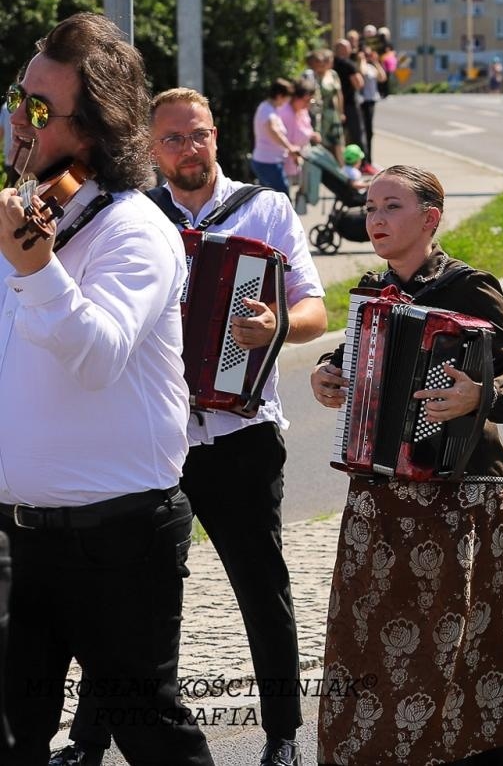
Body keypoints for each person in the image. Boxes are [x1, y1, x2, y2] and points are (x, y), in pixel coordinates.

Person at [60, 87, 329, 766]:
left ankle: (284, 737)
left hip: (241, 434)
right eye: (173, 139)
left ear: (218, 137)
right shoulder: (131, 217)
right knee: (128, 598)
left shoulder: (264, 209)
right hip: (152, 435)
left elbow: (315, 312)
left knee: (261, 585)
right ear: (152, 148)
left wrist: (274, 329)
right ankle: (89, 743)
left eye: (199, 135)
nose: (189, 149)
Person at [308, 166, 503, 764]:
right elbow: (351, 356)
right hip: (380, 503)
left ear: (430, 219)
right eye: (370, 208)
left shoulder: (469, 287)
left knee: (462, 654)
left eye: (391, 207)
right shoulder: (371, 290)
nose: (375, 219)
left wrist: (477, 396)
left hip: (461, 503)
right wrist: (326, 375)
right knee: (369, 649)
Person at [0, 13, 212, 764]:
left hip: (119, 539)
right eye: (16, 96)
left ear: (89, 133)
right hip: (20, 534)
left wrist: (32, 263)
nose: (15, 118)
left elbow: (97, 355)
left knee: (148, 731)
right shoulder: (30, 213)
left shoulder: (133, 230)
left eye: (36, 109)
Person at [251, 78, 301, 194]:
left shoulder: (268, 108)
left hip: (269, 161)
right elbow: (273, 130)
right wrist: (290, 147)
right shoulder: (267, 111)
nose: (285, 103)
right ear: (279, 96)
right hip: (268, 162)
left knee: (270, 200)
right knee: (282, 198)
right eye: (286, 99)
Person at [330, 39, 366, 159]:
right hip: (350, 103)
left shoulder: (331, 63)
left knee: (337, 136)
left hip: (333, 105)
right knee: (357, 134)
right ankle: (361, 162)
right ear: (347, 50)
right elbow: (358, 84)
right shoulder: (349, 64)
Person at [358, 46, 385, 169]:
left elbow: (382, 77)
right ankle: (364, 160)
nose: (369, 56)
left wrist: (376, 62)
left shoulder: (372, 67)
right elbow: (362, 72)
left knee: (370, 132)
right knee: (364, 131)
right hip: (363, 101)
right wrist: (362, 59)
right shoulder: (360, 66)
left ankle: (369, 160)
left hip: (372, 100)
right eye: (366, 54)